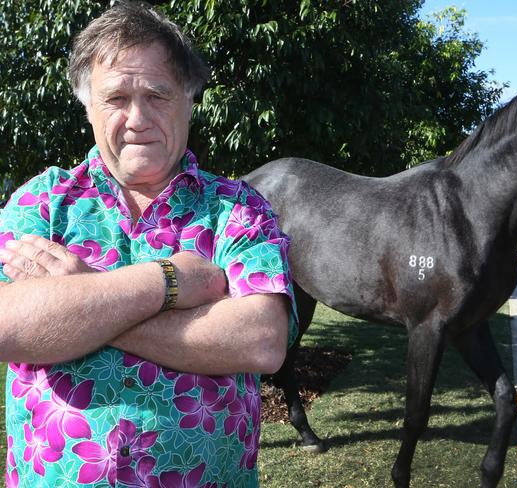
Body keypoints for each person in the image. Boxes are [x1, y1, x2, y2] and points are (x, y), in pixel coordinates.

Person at [0, 2, 297, 486]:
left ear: (189, 99)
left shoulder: (237, 209)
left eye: (158, 95)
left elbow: (261, 340)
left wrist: (79, 298)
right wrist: (167, 282)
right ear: (88, 106)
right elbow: (7, 324)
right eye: (116, 97)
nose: (137, 118)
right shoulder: (42, 200)